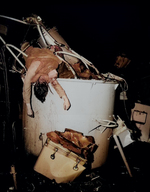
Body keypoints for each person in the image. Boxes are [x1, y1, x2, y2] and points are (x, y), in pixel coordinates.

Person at [21, 42, 71, 117]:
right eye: (45, 82)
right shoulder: (49, 76)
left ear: (37, 83)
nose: (44, 79)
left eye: (42, 81)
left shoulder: (34, 68)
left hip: (34, 54)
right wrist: (65, 99)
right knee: (54, 73)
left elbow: (26, 85)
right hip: (49, 57)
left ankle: (25, 47)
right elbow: (55, 84)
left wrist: (28, 107)